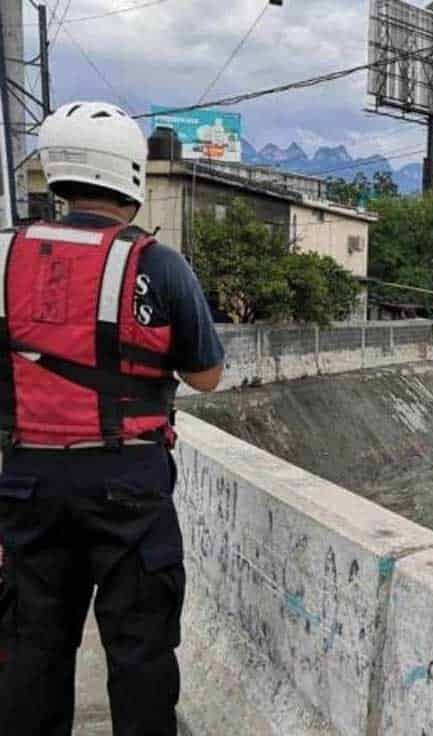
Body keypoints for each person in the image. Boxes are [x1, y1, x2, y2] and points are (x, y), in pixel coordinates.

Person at [0, 101, 225, 736]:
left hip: (27, 479)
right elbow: (206, 375)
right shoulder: (156, 263)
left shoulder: (5, 256)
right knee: (141, 646)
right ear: (130, 174)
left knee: (30, 644)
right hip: (128, 479)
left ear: (57, 174)